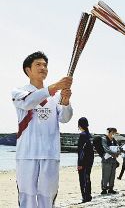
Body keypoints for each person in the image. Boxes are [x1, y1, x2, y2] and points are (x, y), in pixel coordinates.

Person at [12, 51, 73, 207]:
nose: (43, 68)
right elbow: (29, 102)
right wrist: (55, 87)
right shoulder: (19, 92)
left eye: (45, 65)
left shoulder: (55, 96)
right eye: (38, 64)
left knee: (48, 196)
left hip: (50, 153)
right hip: (27, 154)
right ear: (28, 70)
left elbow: (64, 118)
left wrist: (65, 100)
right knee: (27, 196)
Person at [77, 117, 94, 203]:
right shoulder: (90, 135)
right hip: (90, 161)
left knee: (83, 179)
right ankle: (89, 195)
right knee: (87, 177)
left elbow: (81, 151)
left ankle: (85, 196)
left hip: (83, 161)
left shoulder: (82, 135)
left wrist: (80, 163)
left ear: (79, 125)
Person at [100, 127, 122, 195]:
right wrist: (113, 154)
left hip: (113, 160)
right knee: (105, 175)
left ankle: (111, 188)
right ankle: (104, 189)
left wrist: (118, 153)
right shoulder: (104, 139)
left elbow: (118, 147)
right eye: (113, 133)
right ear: (109, 133)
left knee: (112, 175)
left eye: (115, 133)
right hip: (106, 160)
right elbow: (106, 148)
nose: (114, 134)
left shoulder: (114, 140)